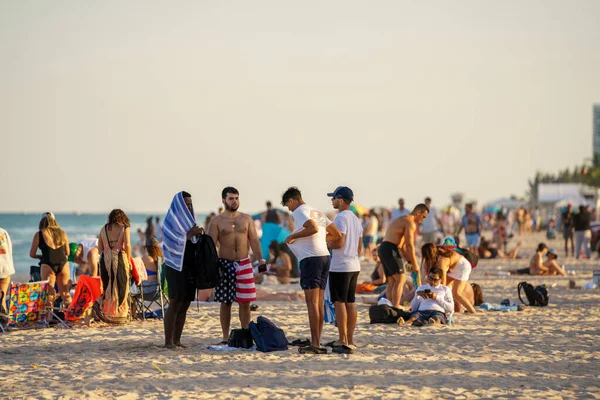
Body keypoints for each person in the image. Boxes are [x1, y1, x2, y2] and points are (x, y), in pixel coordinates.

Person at [281, 186, 341, 354]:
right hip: (324, 257)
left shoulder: (299, 211)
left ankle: (315, 344)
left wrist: (293, 236)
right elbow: (336, 235)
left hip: (311, 259)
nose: (289, 209)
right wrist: (321, 240)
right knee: (318, 302)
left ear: (292, 200)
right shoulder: (317, 211)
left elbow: (312, 228)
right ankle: (317, 341)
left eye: (288, 205)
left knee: (312, 303)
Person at [208, 187, 264, 344]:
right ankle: (225, 337)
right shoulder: (217, 221)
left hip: (244, 263)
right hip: (224, 264)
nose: (234, 201)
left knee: (245, 302)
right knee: (226, 303)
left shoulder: (246, 219)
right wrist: (210, 266)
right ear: (223, 200)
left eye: (236, 198)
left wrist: (261, 260)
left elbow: (254, 240)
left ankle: (246, 334)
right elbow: (210, 246)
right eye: (231, 198)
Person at [162, 191, 204, 348]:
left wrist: (196, 235)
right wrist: (189, 235)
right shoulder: (170, 222)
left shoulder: (190, 222)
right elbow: (170, 242)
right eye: (186, 205)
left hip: (188, 266)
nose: (189, 207)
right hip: (174, 266)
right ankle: (168, 342)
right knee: (174, 302)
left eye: (191, 204)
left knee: (185, 303)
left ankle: (177, 340)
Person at [326, 186, 363, 354]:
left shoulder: (340, 218)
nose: (331, 200)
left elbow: (339, 242)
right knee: (350, 302)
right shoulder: (356, 219)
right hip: (354, 265)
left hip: (341, 266)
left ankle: (342, 338)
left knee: (339, 302)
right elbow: (360, 248)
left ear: (341, 200)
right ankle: (350, 338)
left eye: (333, 198)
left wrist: (325, 244)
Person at [377, 204, 429, 308]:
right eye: (423, 216)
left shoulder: (402, 219)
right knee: (400, 279)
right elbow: (409, 245)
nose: (423, 220)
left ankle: (390, 306)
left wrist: (409, 261)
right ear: (418, 212)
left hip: (383, 248)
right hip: (391, 248)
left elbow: (403, 247)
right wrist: (415, 265)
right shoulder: (410, 222)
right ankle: (396, 306)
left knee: (392, 281)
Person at [97, 209, 134, 324]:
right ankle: (119, 314)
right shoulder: (125, 227)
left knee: (108, 285)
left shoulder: (103, 228)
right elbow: (127, 245)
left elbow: (99, 248)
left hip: (105, 259)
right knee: (121, 285)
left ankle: (107, 311)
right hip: (119, 258)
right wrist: (128, 261)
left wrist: (107, 254)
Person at [29, 212, 71, 307]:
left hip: (48, 264)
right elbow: (67, 253)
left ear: (42, 221)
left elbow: (32, 254)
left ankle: (49, 318)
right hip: (63, 264)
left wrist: (39, 256)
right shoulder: (62, 233)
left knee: (49, 294)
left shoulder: (39, 234)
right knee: (65, 293)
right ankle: (72, 315)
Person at [421, 243, 477, 313]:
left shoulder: (442, 260)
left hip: (463, 267)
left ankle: (472, 311)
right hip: (454, 268)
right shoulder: (438, 251)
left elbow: (443, 281)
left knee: (456, 294)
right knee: (438, 285)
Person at [0, 227, 15, 312]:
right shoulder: (3, 232)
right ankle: (3, 321)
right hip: (5, 267)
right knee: (3, 297)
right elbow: (9, 250)